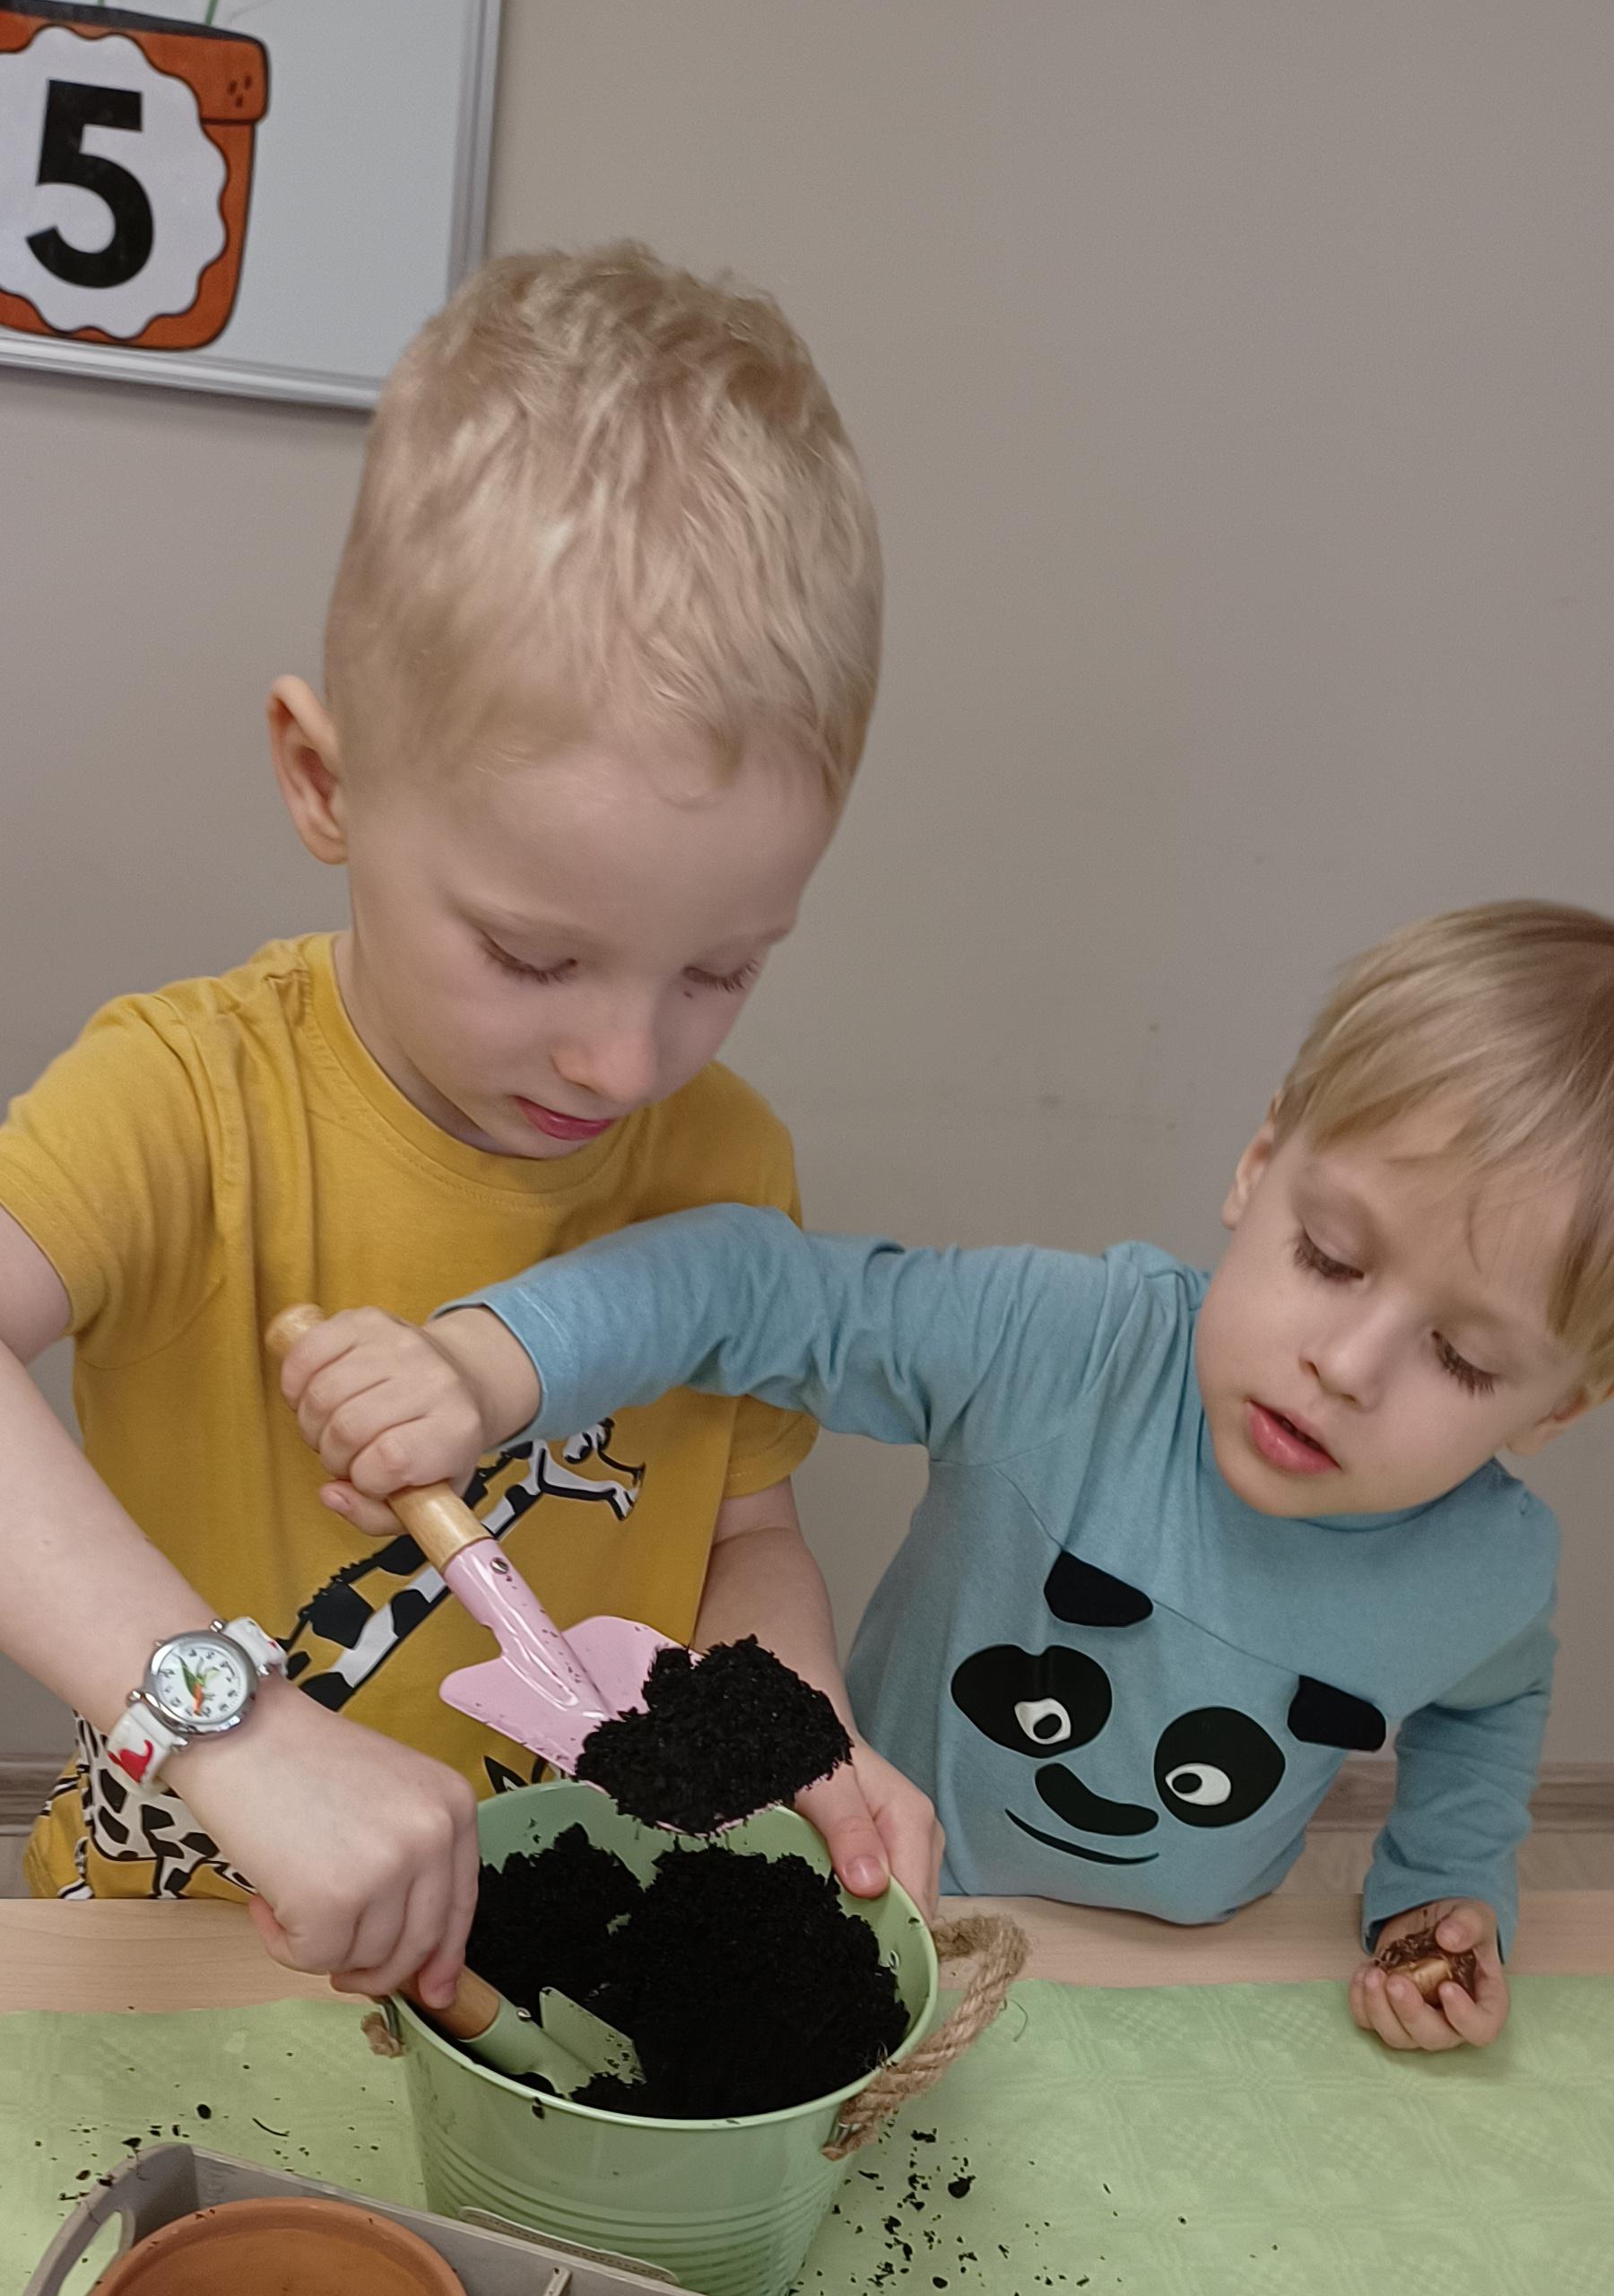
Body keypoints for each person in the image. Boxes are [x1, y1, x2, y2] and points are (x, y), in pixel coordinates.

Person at [0, 241, 935, 2008]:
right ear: (327, 781)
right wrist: (243, 1730)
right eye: (532, 954)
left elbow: (741, 1537)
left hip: (551, 1972)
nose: (622, 1060)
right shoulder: (187, 1097)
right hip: (176, 1954)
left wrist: (788, 1729)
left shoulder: (728, 1160)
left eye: (722, 968)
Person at [283, 903, 1614, 2054]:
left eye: (1461, 1355)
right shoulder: (1068, 1347)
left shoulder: (1488, 1569)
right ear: (1259, 1166)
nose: (1347, 1367)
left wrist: (1443, 1881)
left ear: (1560, 1404)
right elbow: (746, 1288)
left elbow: (1490, 1698)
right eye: (1329, 1257)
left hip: (1184, 1985)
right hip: (865, 1907)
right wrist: (489, 1368)